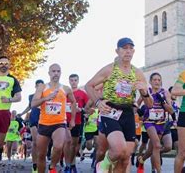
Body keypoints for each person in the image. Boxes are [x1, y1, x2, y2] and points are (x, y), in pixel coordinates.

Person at [85, 37, 152, 173]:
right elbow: (89, 85)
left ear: (134, 51)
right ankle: (102, 166)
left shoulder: (137, 73)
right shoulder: (109, 70)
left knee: (125, 158)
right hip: (110, 111)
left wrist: (144, 92)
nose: (128, 51)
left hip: (128, 113)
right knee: (118, 150)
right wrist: (98, 101)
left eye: (130, 48)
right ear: (117, 51)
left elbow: (149, 104)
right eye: (124, 48)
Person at [31, 63, 77, 173]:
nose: (56, 73)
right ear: (49, 73)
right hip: (44, 124)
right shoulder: (42, 87)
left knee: (58, 146)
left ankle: (52, 166)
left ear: (61, 73)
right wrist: (46, 98)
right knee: (41, 155)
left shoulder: (65, 88)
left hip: (59, 123)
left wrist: (72, 119)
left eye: (58, 71)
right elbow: (33, 104)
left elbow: (74, 102)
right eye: (53, 71)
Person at [136, 72, 174, 173]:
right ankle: (158, 171)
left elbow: (171, 109)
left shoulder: (165, 92)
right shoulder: (146, 91)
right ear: (150, 82)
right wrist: (137, 112)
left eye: (158, 80)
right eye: (154, 80)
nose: (157, 82)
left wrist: (164, 102)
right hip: (149, 122)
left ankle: (141, 159)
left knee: (151, 149)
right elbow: (137, 104)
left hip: (161, 122)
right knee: (157, 145)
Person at [63, 73, 89, 173]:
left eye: (75, 80)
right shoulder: (65, 93)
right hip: (65, 120)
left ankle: (72, 164)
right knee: (67, 142)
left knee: (74, 145)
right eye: (71, 80)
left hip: (77, 121)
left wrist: (81, 110)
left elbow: (88, 107)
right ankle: (67, 165)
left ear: (78, 81)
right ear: (69, 81)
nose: (73, 82)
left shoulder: (82, 94)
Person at [19, 79, 44, 172]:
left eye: (41, 86)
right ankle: (34, 164)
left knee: (42, 143)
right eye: (38, 86)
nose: (39, 87)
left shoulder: (46, 96)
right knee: (35, 141)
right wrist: (22, 113)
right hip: (33, 118)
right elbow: (29, 106)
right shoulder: (31, 96)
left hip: (44, 119)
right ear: (35, 86)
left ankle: (41, 160)